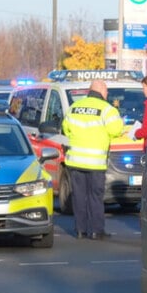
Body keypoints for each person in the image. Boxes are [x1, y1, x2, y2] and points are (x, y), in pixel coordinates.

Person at [61, 79, 124, 240]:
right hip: (95, 162)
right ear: (102, 90)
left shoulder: (74, 108)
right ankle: (96, 231)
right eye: (107, 90)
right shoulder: (107, 110)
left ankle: (80, 230)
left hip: (75, 161)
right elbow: (117, 130)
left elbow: (66, 129)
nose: (108, 93)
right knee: (95, 196)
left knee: (79, 196)